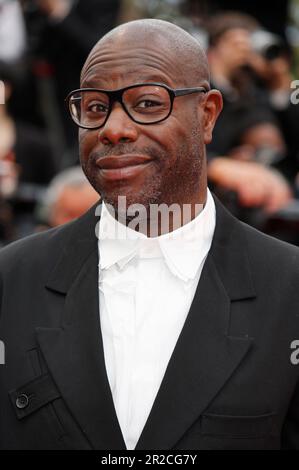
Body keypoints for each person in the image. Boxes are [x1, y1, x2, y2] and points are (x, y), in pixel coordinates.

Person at [0, 19, 299, 451]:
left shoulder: (288, 289)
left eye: (146, 103)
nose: (113, 129)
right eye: (96, 107)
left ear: (208, 114)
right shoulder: (12, 280)